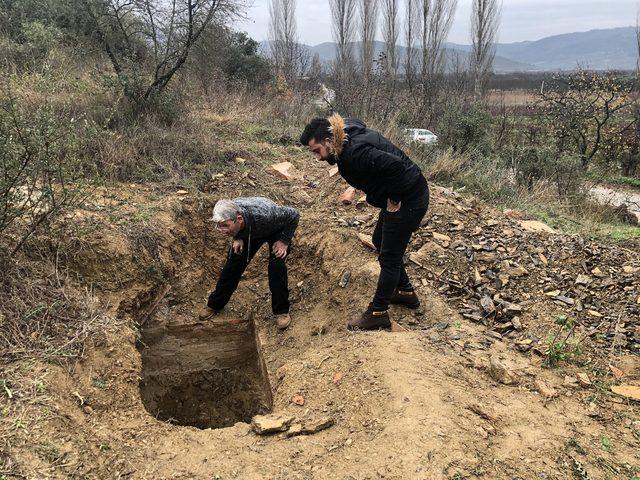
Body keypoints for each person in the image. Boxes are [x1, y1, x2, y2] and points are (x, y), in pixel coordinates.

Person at [300, 113, 429, 331]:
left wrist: (394, 199)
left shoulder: (355, 153)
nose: (318, 158)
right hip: (410, 190)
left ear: (329, 141)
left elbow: (396, 166)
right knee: (379, 239)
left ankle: (378, 313)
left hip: (409, 198)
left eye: (317, 151)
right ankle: (405, 292)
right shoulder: (346, 132)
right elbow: (358, 121)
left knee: (389, 256)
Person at [199, 197, 300, 330]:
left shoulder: (267, 214)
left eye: (225, 226)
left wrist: (284, 241)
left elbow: (294, 214)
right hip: (249, 231)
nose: (221, 230)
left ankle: (281, 311)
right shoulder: (231, 209)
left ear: (239, 220)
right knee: (233, 264)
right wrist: (237, 237)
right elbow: (234, 226)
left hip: (275, 229)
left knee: (276, 267)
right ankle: (215, 304)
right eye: (218, 225)